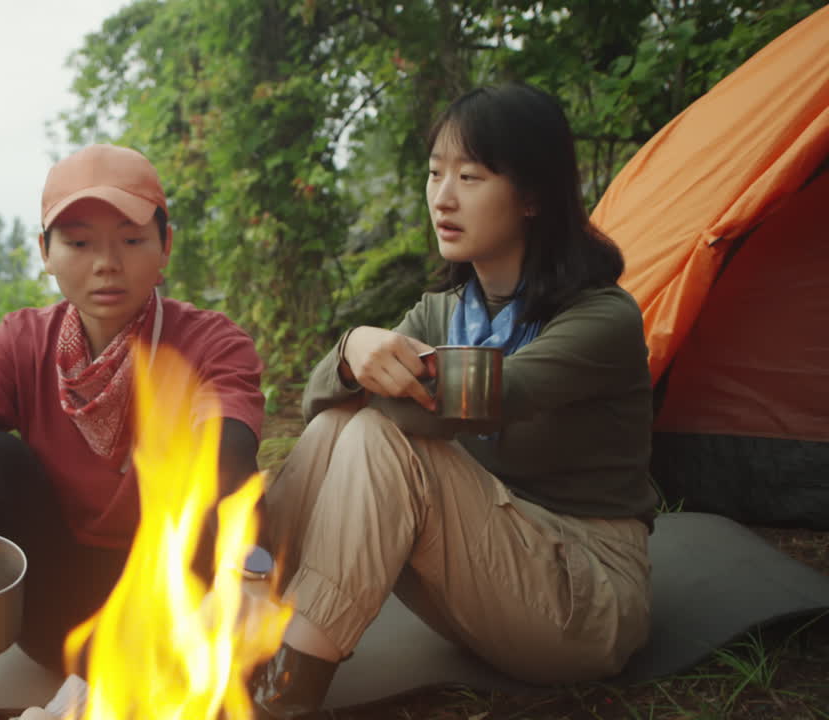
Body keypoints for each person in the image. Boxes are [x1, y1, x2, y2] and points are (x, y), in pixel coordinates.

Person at [250, 84, 660, 718]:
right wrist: (351, 347)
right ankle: (231, 609)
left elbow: (490, 396)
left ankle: (282, 698)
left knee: (374, 431)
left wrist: (367, 372)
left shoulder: (600, 318)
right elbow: (317, 401)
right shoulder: (445, 310)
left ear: (532, 196)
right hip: (491, 562)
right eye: (436, 173)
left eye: (469, 176)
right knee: (340, 422)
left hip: (585, 594)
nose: (442, 197)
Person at [0, 144, 267, 720]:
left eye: (131, 239)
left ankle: (85, 706)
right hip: (50, 603)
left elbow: (229, 456)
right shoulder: (23, 340)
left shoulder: (212, 343)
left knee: (214, 490)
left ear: (165, 246)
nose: (106, 263)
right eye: (79, 242)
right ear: (46, 252)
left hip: (164, 600)